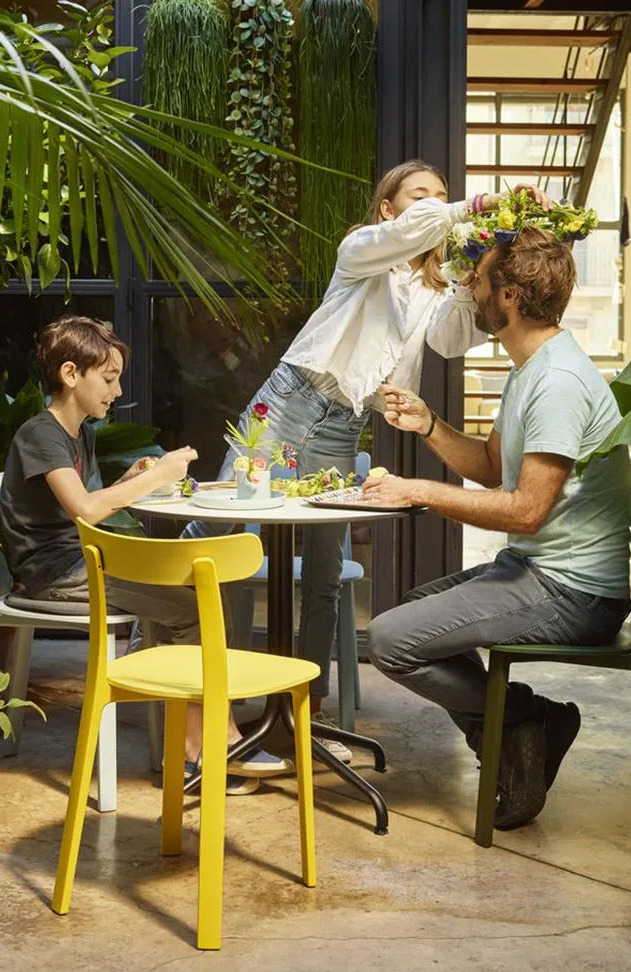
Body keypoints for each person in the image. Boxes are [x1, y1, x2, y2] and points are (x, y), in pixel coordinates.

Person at [184, 160, 552, 758]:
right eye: (418, 196)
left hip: (342, 428)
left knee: (325, 578)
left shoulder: (436, 287)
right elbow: (412, 232)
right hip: (286, 407)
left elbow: (450, 341)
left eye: (440, 195)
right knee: (214, 541)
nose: (432, 203)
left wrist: (468, 274)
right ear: (388, 208)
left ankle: (301, 720)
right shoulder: (361, 252)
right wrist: (476, 206)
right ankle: (184, 691)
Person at [363, 227, 631, 829]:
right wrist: (429, 424)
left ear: (509, 296)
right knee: (416, 614)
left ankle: (523, 719)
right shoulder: (532, 368)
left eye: (479, 279)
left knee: (389, 639)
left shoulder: (557, 382)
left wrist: (418, 491)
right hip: (538, 571)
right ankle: (519, 736)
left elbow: (525, 510)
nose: (469, 287)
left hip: (573, 593)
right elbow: (491, 468)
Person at [0, 316, 290, 793]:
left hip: (81, 561)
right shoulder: (41, 434)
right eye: (108, 379)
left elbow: (86, 503)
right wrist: (155, 478)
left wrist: (130, 479)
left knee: (202, 591)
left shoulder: (79, 432)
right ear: (71, 374)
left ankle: (209, 736)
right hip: (53, 575)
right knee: (194, 605)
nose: (116, 391)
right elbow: (86, 510)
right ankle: (201, 750)